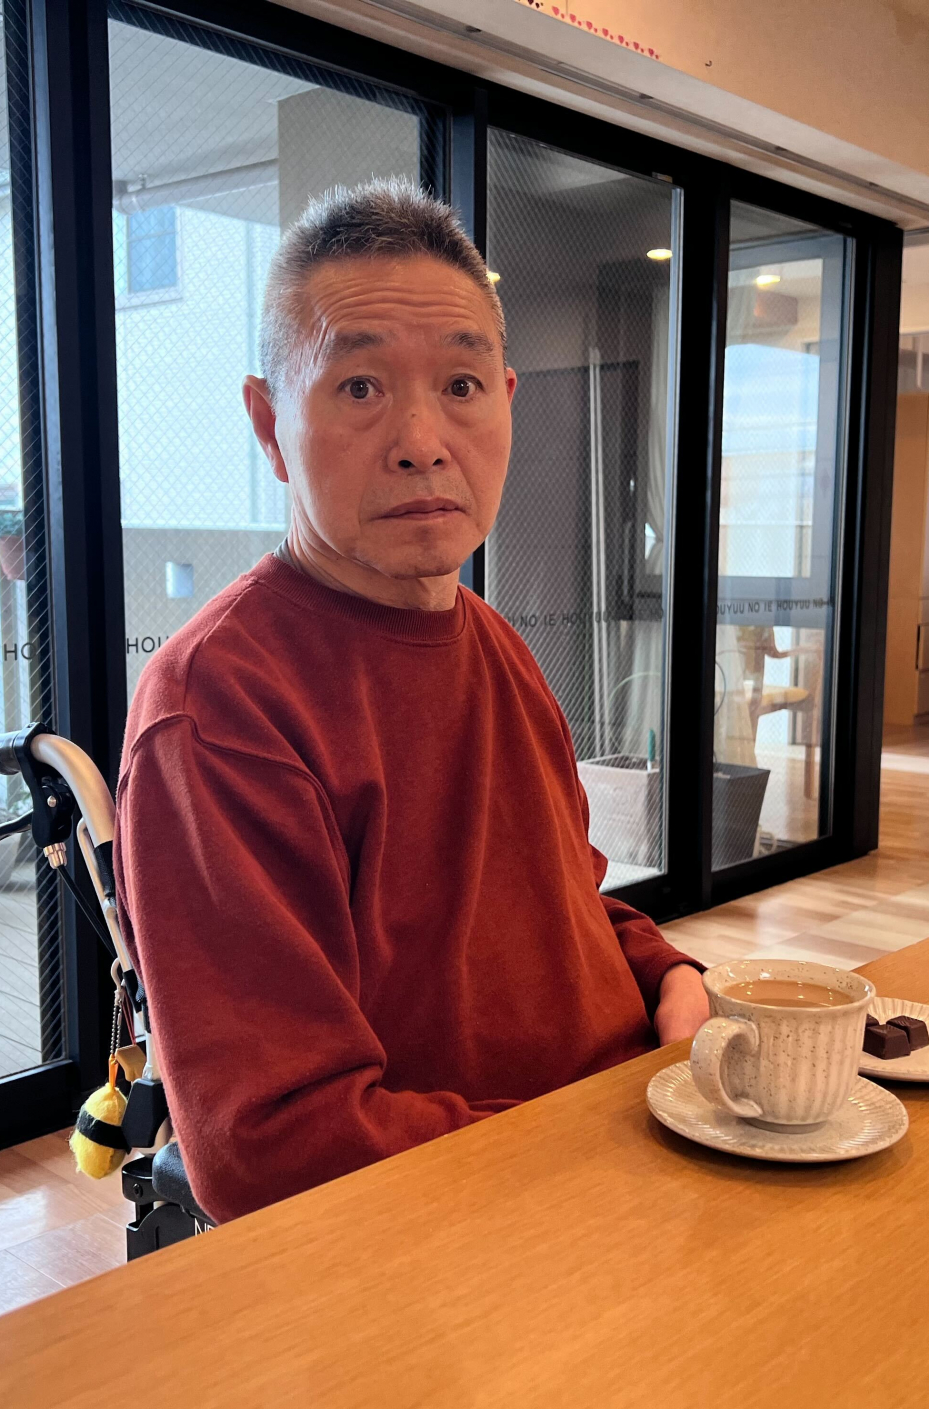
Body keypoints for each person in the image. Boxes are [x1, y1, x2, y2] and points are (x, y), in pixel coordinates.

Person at [116, 178, 706, 1223]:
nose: (423, 440)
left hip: (623, 1165)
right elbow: (271, 1144)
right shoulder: (221, 707)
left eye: (462, 385)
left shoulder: (495, 645)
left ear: (507, 402)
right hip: (473, 1238)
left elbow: (562, 908)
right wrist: (602, 1141)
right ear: (269, 425)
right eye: (359, 388)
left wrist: (668, 976)